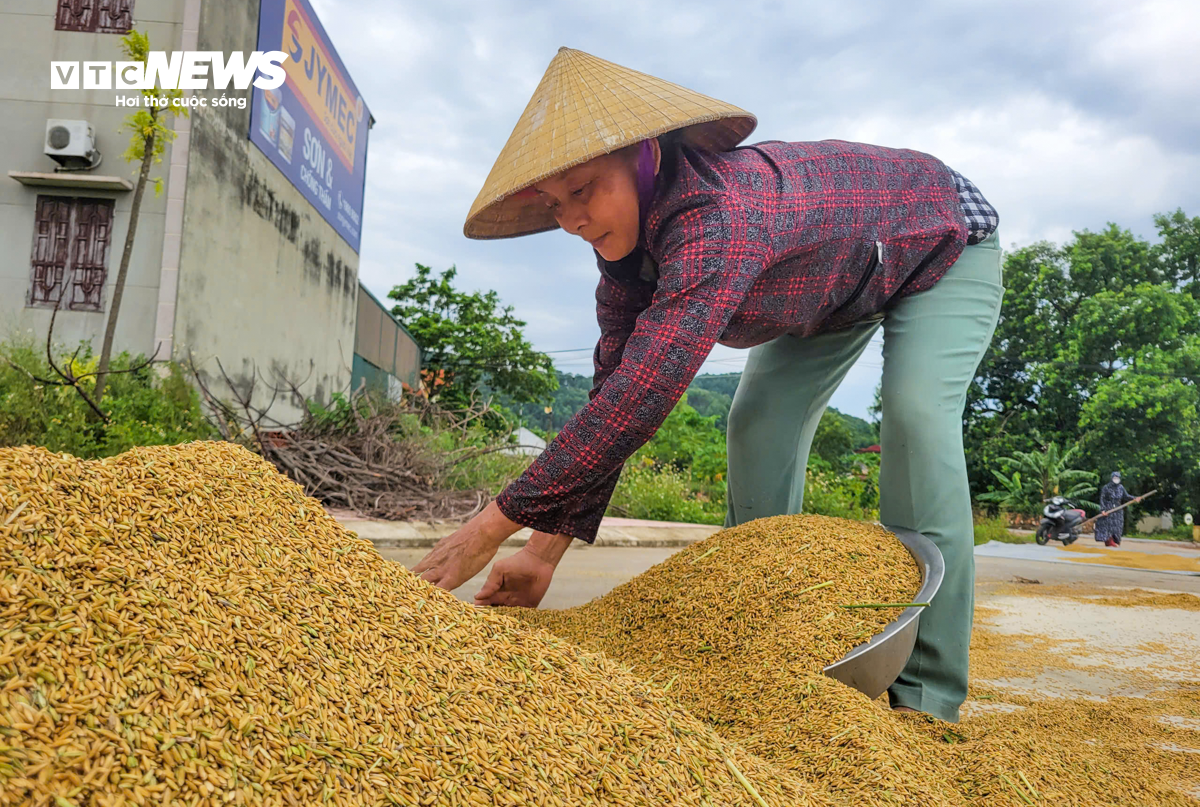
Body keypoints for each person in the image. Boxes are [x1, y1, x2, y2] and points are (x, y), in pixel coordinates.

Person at [412, 48, 1003, 723]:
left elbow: (645, 394)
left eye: (585, 190)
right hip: (832, 292)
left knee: (915, 416)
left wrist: (489, 529)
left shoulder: (717, 218)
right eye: (555, 204)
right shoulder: (625, 268)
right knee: (756, 425)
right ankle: (761, 641)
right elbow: (612, 403)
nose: (573, 218)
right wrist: (541, 551)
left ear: (646, 160)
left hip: (941, 243)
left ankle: (927, 698)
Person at [1095, 471, 1135, 547]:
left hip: (1118, 510)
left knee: (1118, 526)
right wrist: (1103, 510)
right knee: (1108, 526)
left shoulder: (1121, 487)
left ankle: (1116, 541)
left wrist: (1135, 498)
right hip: (1108, 510)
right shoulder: (1106, 487)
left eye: (1117, 478)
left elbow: (1126, 496)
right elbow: (1102, 499)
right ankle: (1109, 541)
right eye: (1114, 478)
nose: (1116, 479)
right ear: (1112, 478)